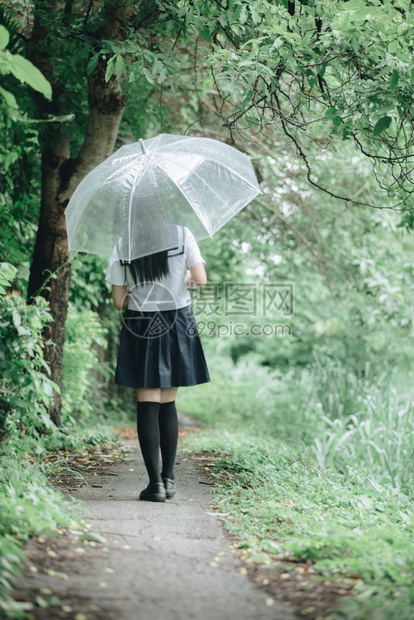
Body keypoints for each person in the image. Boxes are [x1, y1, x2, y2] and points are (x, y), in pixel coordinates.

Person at [105, 225, 210, 502]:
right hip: (178, 320)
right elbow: (201, 279)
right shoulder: (182, 235)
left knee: (147, 400)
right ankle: (169, 479)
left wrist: (141, 294)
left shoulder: (123, 244)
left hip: (142, 322)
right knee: (168, 401)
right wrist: (184, 277)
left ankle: (155, 485)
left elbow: (118, 301)